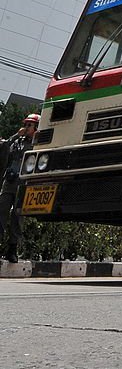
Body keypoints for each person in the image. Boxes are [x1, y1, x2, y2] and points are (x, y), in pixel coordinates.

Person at [0, 113, 39, 263]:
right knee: (1, 211)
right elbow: (4, 147)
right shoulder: (18, 140)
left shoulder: (38, 141)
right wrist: (16, 135)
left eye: (30, 125)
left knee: (17, 217)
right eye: (26, 124)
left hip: (24, 183)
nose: (26, 127)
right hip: (9, 181)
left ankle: (12, 249)